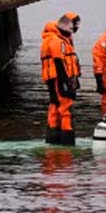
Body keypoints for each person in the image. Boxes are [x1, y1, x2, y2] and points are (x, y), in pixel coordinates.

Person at [40, 14, 81, 146]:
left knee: (55, 106)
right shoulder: (58, 41)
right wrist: (67, 83)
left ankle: (52, 138)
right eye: (74, 25)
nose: (75, 28)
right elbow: (59, 63)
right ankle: (67, 140)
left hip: (54, 80)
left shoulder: (54, 39)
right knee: (65, 109)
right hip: (59, 79)